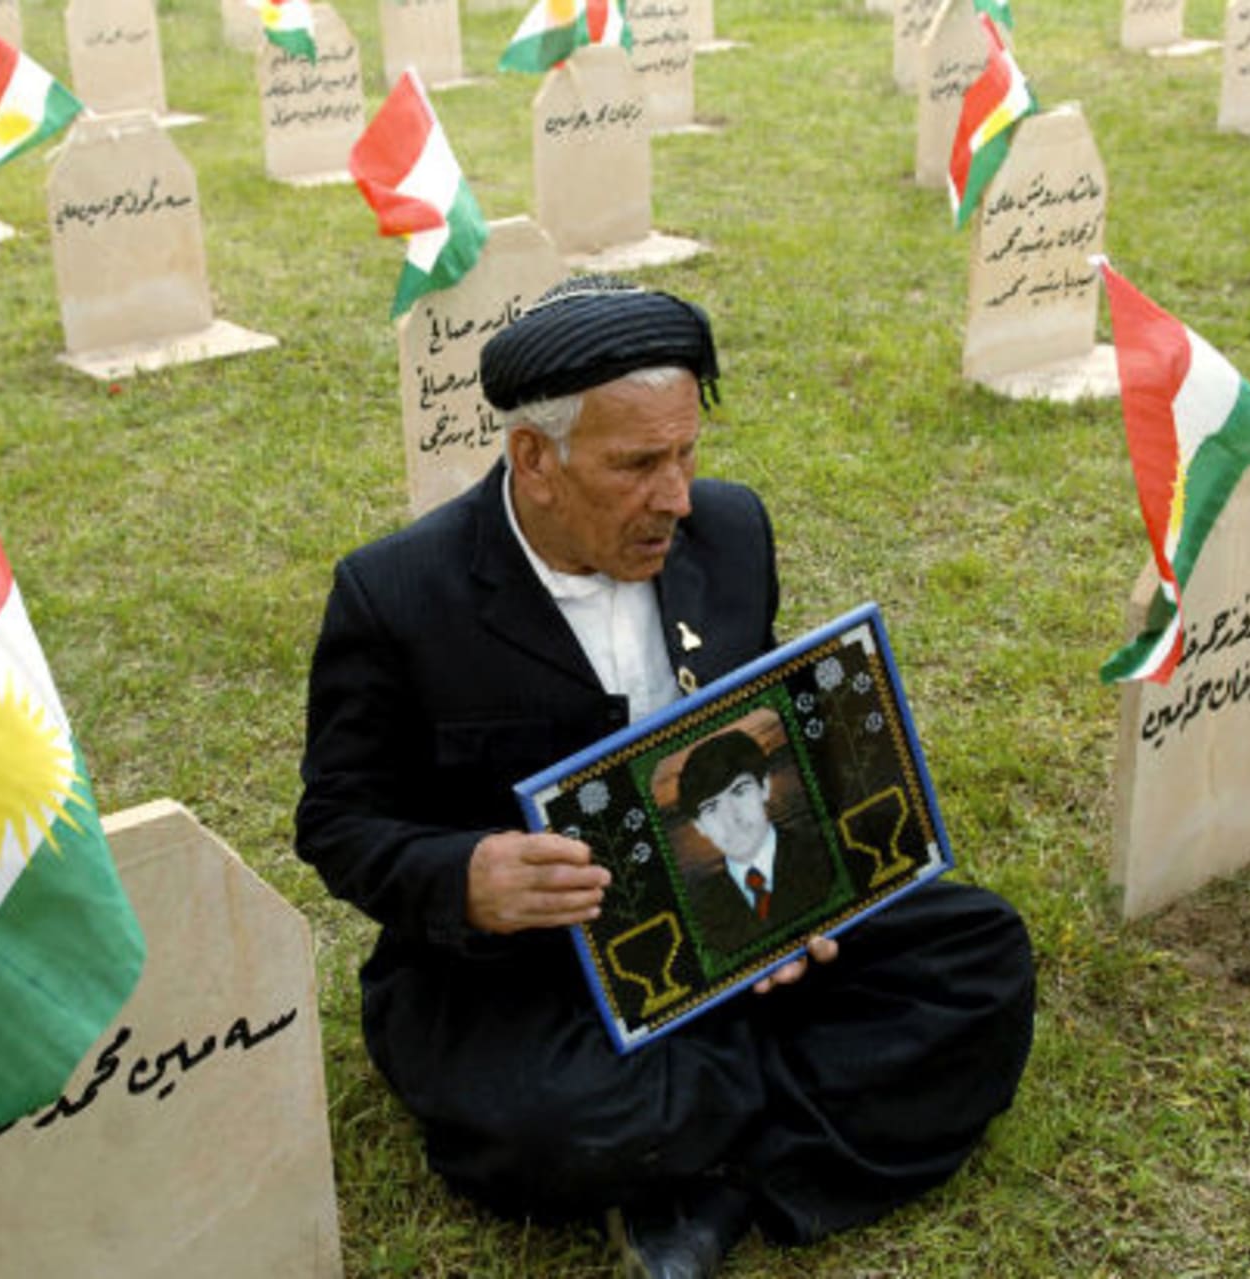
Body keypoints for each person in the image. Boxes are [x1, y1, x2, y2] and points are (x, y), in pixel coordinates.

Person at [295, 277, 1035, 1278]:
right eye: (639, 464)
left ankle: (706, 1173)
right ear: (535, 460)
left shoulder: (731, 531)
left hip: (737, 911)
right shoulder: (396, 595)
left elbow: (767, 724)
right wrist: (467, 874)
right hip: (529, 963)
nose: (678, 496)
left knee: (980, 958)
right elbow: (338, 821)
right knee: (556, 1123)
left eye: (688, 452)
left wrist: (806, 883)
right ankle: (733, 1119)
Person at [674, 730, 835, 957]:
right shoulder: (700, 912)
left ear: (765, 787)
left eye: (739, 791)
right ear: (698, 826)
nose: (731, 819)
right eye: (710, 808)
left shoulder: (824, 853)